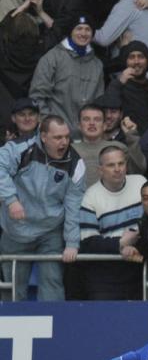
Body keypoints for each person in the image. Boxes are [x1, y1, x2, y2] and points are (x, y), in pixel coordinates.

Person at [0, 115, 83, 301]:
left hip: (50, 231)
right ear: (43, 136)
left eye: (67, 137)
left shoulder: (76, 164)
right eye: (58, 137)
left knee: (52, 283)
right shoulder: (20, 148)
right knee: (13, 289)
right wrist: (11, 200)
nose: (64, 142)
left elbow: (73, 207)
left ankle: (57, 327)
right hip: (15, 230)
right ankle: (10, 328)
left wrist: (72, 243)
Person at [78, 146, 146, 300]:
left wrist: (135, 245)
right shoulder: (90, 197)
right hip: (106, 274)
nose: (117, 169)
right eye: (111, 165)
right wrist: (120, 243)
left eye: (121, 163)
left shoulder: (140, 183)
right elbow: (88, 243)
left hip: (139, 265)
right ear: (100, 170)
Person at [29, 15, 104, 135]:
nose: (83, 33)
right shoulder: (52, 58)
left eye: (87, 29)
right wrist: (49, 125)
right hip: (57, 134)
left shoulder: (97, 64)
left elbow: (99, 102)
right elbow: (37, 96)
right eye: (79, 28)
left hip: (86, 137)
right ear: (71, 32)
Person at [106, 40, 148, 131]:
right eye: (131, 57)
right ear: (126, 62)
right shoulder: (119, 87)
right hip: (128, 140)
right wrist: (119, 83)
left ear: (147, 61)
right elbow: (109, 108)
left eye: (140, 57)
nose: (136, 61)